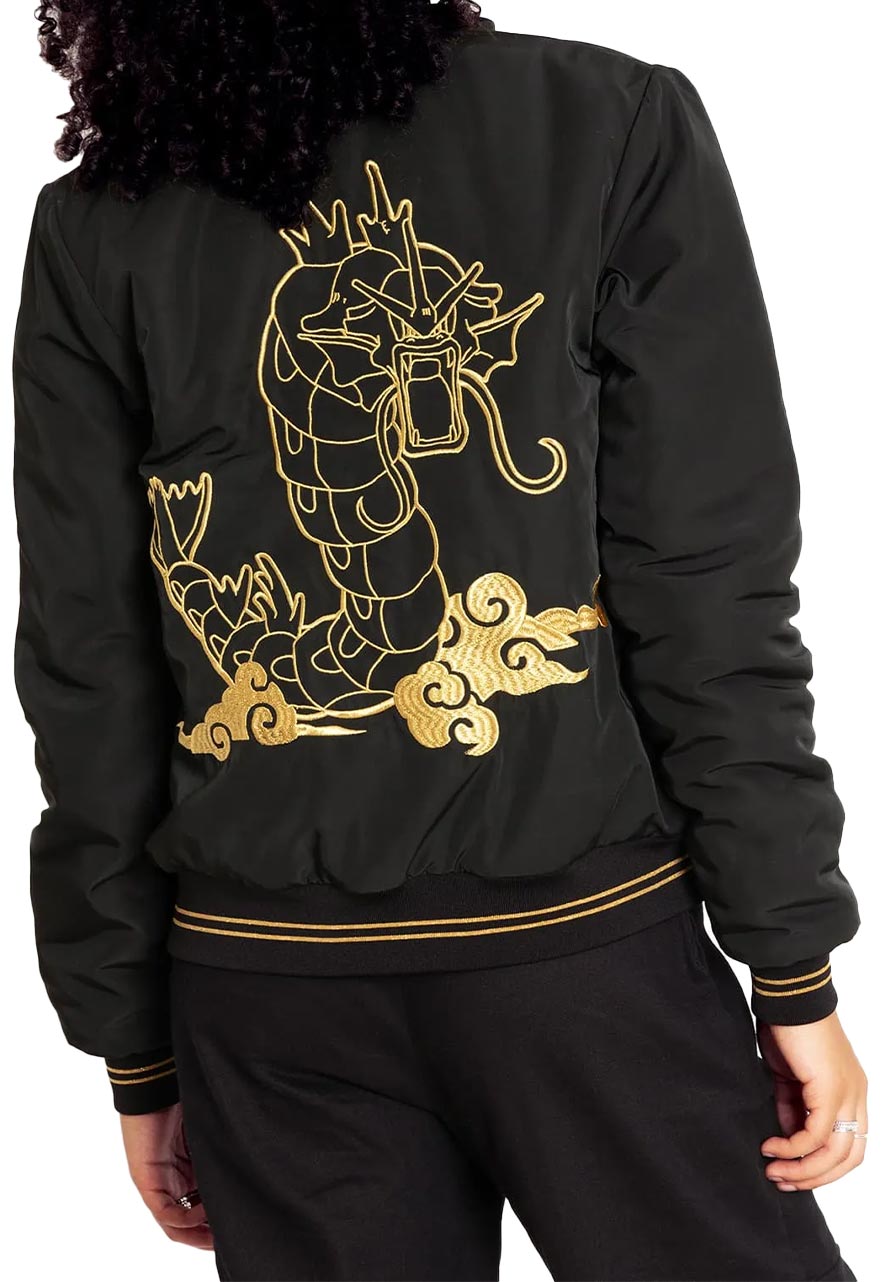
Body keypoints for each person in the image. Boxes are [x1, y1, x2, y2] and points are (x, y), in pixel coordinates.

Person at [12, 3, 867, 1280]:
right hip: (580, 959)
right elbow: (707, 580)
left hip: (264, 990)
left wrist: (135, 1038)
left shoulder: (100, 218)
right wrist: (788, 956)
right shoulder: (604, 119)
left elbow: (88, 668)